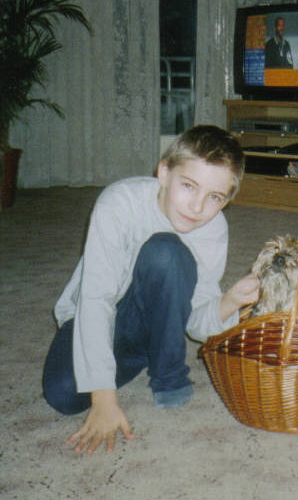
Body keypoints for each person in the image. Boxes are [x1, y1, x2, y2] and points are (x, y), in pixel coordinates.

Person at [42, 124, 259, 455]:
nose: (197, 207)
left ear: (226, 200)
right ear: (164, 173)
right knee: (63, 395)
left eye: (214, 197)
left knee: (166, 251)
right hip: (100, 310)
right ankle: (145, 348)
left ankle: (167, 373)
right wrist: (103, 397)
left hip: (153, 318)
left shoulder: (212, 229)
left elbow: (195, 323)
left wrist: (229, 301)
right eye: (188, 186)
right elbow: (96, 299)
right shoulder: (119, 202)